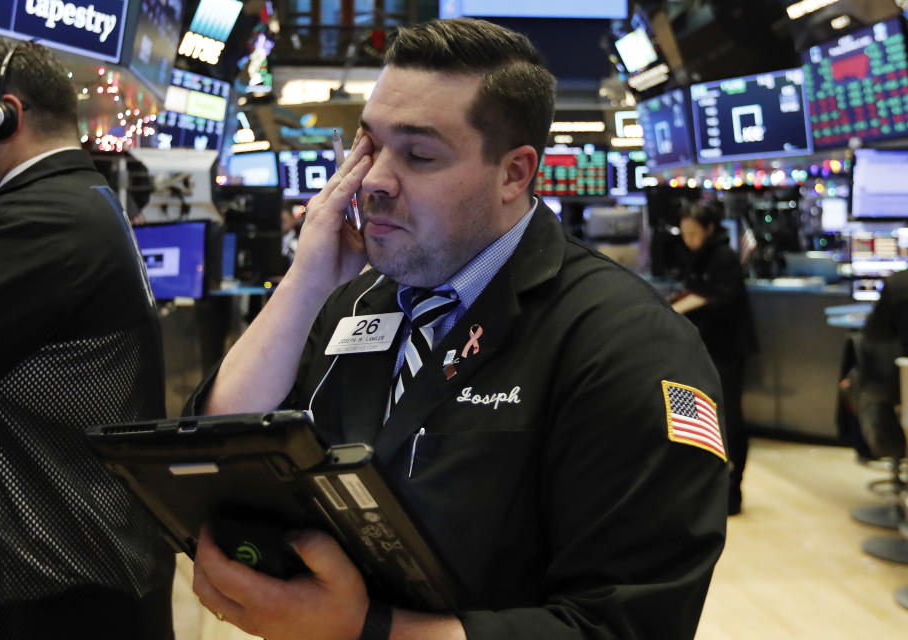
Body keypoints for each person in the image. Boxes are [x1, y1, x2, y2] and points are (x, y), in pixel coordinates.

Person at [188, 18, 728, 639]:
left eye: (419, 155)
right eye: (368, 147)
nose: (373, 181)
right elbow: (216, 447)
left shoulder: (626, 343)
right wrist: (304, 282)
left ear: (514, 174)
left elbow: (624, 625)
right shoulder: (351, 301)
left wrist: (371, 632)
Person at [0, 38, 174, 638]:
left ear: (1, 118)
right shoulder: (79, 199)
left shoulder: (37, 223)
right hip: (83, 571)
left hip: (55, 590)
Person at [672, 202, 757, 515]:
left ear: (708, 229)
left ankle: (732, 489)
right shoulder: (698, 256)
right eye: (685, 235)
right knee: (696, 417)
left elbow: (724, 298)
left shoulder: (722, 256)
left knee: (729, 420)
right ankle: (704, 486)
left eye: (694, 233)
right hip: (701, 348)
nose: (689, 240)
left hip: (726, 349)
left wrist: (693, 304)